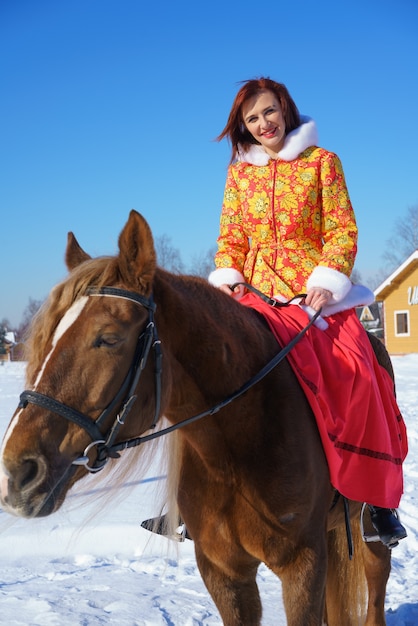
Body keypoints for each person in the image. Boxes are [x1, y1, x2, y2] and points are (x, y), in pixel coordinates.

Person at [142, 77, 407, 548]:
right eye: (252, 118)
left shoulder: (323, 163)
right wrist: (231, 276)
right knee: (202, 373)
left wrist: (325, 283)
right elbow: (231, 238)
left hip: (312, 294)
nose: (263, 123)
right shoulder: (239, 174)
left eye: (269, 112)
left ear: (285, 109)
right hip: (253, 293)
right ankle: (190, 499)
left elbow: (342, 230)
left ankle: (377, 503)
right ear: (243, 127)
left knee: (361, 369)